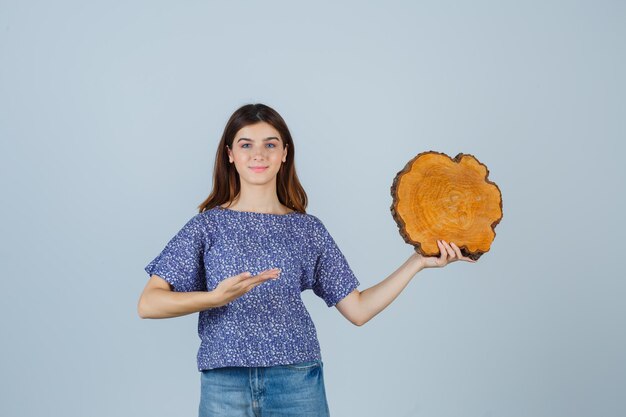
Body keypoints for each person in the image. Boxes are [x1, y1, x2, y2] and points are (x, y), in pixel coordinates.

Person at [137, 103, 476, 417]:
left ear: (285, 154)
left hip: (296, 380)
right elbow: (148, 303)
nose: (259, 154)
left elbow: (357, 310)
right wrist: (214, 298)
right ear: (230, 155)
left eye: (270, 144)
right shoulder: (207, 225)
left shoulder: (306, 229)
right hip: (224, 381)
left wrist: (417, 262)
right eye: (246, 144)